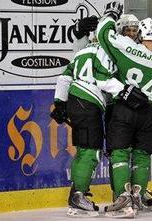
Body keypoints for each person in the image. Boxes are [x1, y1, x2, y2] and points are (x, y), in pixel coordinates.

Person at [96, 1, 152, 217]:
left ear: (140, 33)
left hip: (125, 109)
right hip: (149, 113)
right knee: (142, 155)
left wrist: (111, 15)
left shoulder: (128, 47)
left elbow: (104, 34)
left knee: (120, 152)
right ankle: (139, 197)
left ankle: (123, 200)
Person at [50, 16, 125, 217]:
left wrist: (60, 103)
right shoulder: (105, 52)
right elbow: (104, 79)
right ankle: (77, 197)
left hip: (76, 101)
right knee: (91, 152)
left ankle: (76, 194)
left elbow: (64, 77)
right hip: (88, 102)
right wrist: (125, 91)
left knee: (83, 151)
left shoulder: (81, 52)